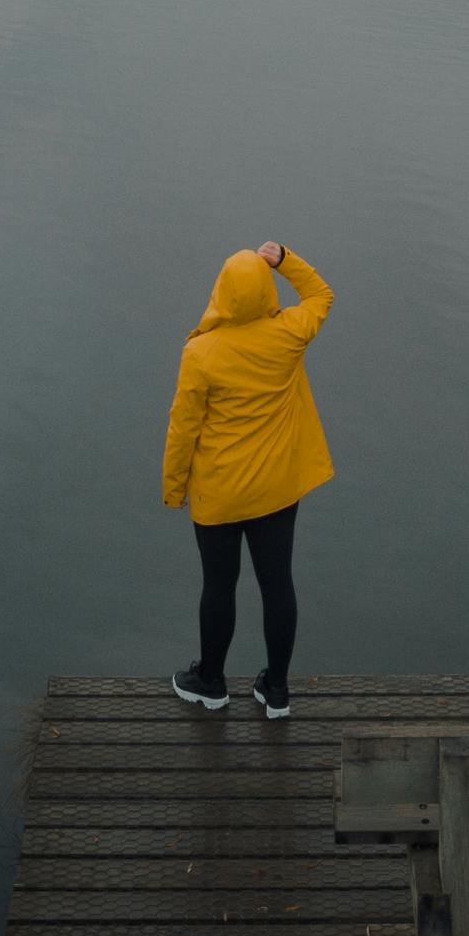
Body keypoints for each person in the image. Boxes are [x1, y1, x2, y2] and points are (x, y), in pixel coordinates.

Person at [162, 239, 335, 719]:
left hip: (220, 492)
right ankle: (275, 690)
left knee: (219, 586)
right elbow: (321, 295)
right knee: (277, 585)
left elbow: (183, 429)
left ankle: (211, 682)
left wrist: (174, 487)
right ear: (264, 292)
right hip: (277, 491)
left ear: (220, 292)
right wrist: (284, 258)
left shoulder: (201, 353)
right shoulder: (287, 335)